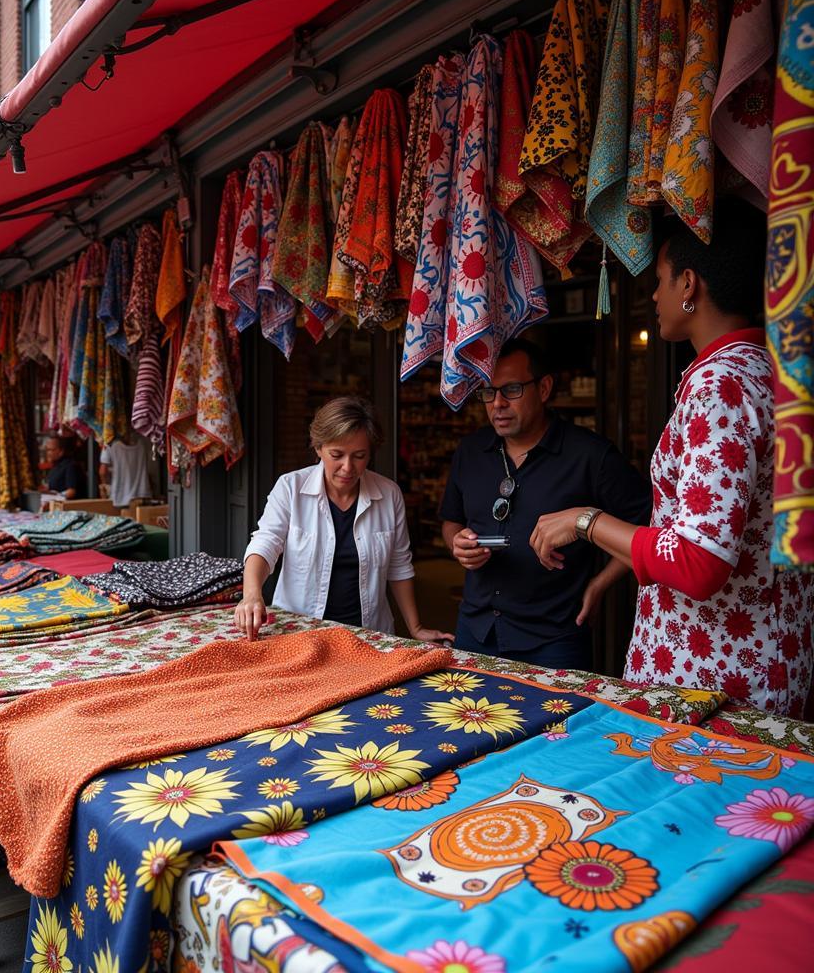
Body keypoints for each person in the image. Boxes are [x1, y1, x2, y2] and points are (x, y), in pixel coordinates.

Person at [530, 200, 814, 716]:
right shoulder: (775, 374)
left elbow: (698, 561)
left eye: (660, 279)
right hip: (762, 655)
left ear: (690, 285)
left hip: (715, 675)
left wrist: (585, 520)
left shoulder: (721, 386)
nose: (655, 294)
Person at [441, 338, 652, 670]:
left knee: (557, 724)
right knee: (467, 717)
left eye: (511, 390)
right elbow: (451, 519)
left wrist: (600, 584)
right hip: (475, 629)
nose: (497, 404)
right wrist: (457, 544)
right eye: (488, 391)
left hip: (554, 637)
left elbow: (648, 521)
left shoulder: (590, 456)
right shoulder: (471, 450)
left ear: (544, 388)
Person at [235, 396, 450, 643]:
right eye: (337, 454)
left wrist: (415, 627)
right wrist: (251, 594)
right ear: (318, 448)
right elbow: (266, 543)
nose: (348, 467)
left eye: (359, 456)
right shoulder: (290, 488)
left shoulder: (389, 495)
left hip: (369, 635)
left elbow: (399, 565)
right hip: (301, 633)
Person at [99, 433, 152, 508]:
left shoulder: (109, 444)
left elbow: (103, 471)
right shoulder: (144, 441)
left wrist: (105, 487)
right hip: (142, 495)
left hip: (119, 498)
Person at [43, 434, 86, 500]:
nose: (48, 453)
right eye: (47, 450)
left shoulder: (70, 466)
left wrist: (56, 498)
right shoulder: (55, 466)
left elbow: (71, 491)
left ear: (61, 451)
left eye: (51, 450)